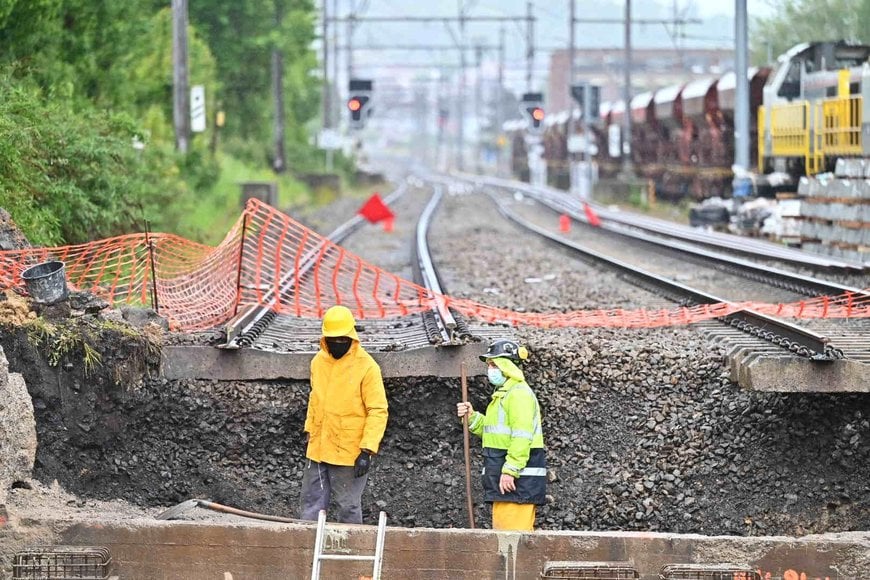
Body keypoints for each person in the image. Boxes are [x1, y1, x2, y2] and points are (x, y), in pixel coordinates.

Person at [300, 305, 388, 524]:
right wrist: (310, 430)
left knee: (347, 506)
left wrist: (367, 450)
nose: (338, 343)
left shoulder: (367, 367)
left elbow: (377, 410)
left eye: (342, 338)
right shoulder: (318, 362)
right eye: (333, 339)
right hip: (318, 448)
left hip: (349, 452)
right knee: (311, 503)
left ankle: (349, 551)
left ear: (351, 336)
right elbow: (315, 400)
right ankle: (308, 549)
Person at [456, 339, 546, 531]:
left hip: (517, 482)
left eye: (494, 364)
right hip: (505, 480)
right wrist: (472, 418)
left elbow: (522, 436)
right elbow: (493, 433)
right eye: (489, 365)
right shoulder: (503, 395)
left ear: (508, 366)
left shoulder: (518, 394)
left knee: (514, 539)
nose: (490, 370)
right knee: (504, 536)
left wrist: (510, 470)